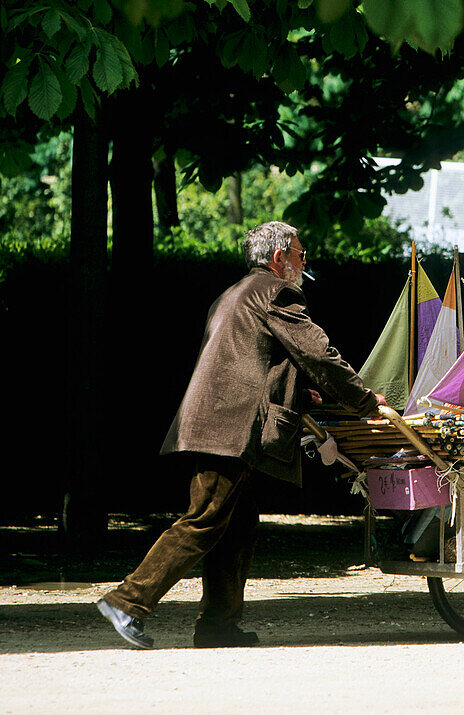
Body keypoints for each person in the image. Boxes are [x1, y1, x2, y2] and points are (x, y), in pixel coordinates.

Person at [96, 221, 386, 649]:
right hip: (229, 425)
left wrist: (300, 393)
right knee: (206, 517)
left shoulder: (233, 294)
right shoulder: (277, 292)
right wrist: (366, 401)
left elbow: (250, 361)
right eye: (301, 255)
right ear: (279, 257)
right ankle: (127, 601)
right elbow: (317, 353)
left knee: (236, 524)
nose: (304, 263)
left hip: (217, 419)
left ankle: (218, 625)